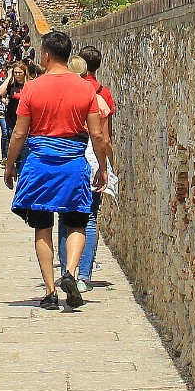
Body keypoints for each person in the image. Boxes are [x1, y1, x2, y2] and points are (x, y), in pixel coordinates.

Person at [4, 31, 111, 311]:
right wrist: (102, 167)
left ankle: (50, 292)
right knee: (77, 223)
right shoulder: (86, 89)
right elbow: (97, 135)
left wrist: (9, 165)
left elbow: (18, 132)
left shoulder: (32, 89)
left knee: (42, 228)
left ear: (46, 55)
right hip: (73, 165)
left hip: (39, 166)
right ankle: (72, 274)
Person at [72, 45, 116, 290]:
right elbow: (104, 138)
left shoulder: (64, 94)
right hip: (92, 161)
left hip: (68, 161)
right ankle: (84, 275)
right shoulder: (102, 95)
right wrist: (107, 165)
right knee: (89, 218)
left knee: (67, 217)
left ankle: (67, 267)